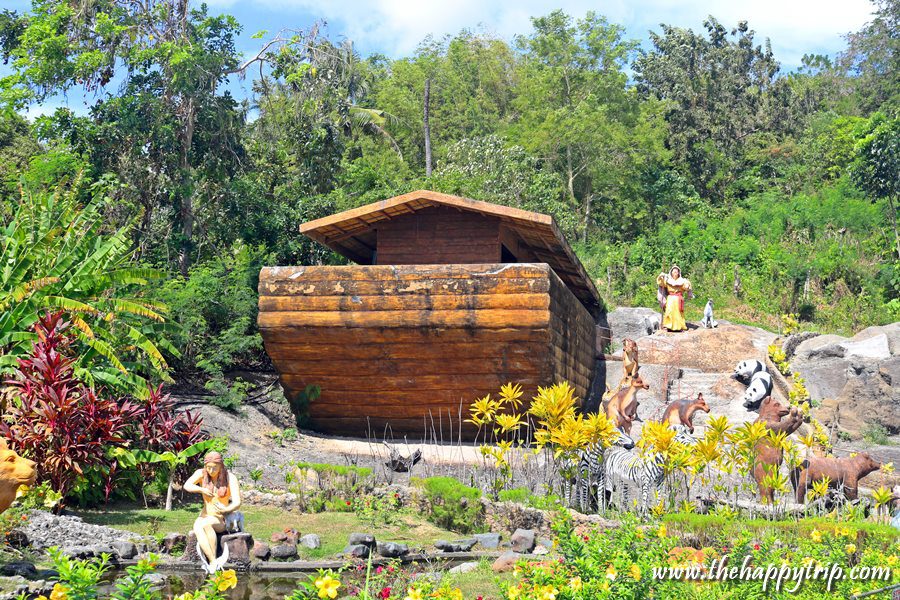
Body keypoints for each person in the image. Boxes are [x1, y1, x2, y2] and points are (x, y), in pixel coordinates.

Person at [183, 452, 242, 572]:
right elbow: (187, 485)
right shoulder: (201, 473)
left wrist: (226, 509)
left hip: (220, 518)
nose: (211, 470)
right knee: (198, 525)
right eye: (208, 467)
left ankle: (212, 561)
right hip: (204, 515)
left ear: (221, 465)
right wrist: (202, 489)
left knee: (205, 524)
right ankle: (213, 561)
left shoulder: (230, 478)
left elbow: (237, 502)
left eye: (214, 467)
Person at [656, 265, 693, 332]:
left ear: (679, 273)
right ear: (671, 272)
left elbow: (686, 286)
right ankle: (669, 326)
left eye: (676, 271)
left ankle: (679, 327)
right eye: (674, 271)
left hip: (678, 299)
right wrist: (660, 276)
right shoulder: (667, 280)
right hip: (670, 298)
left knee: (678, 313)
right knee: (669, 312)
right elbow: (661, 284)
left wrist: (687, 286)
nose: (675, 272)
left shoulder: (682, 281)